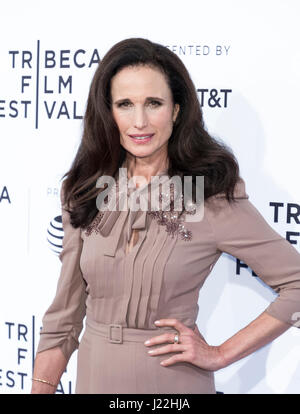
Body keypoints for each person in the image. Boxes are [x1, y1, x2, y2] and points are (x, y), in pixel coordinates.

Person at [31, 37, 300, 394]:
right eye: (125, 104)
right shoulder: (86, 189)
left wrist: (220, 354)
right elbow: (64, 317)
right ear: (107, 111)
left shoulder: (210, 195)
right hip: (96, 378)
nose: (139, 121)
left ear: (176, 110)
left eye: (153, 103)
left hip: (172, 384)